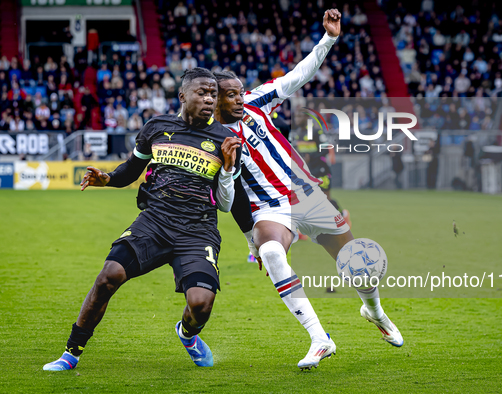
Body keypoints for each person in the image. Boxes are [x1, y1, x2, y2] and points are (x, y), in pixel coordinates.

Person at [215, 9, 403, 371]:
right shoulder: (215, 139)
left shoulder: (257, 100)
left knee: (357, 265)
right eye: (231, 95)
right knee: (271, 252)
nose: (239, 99)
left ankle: (374, 311)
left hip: (305, 194)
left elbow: (298, 75)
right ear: (216, 99)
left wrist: (328, 39)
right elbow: (231, 199)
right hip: (268, 207)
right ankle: (320, 338)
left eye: (240, 92)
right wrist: (249, 237)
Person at [43, 67, 248, 371]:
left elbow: (227, 205)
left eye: (213, 95)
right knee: (108, 276)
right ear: (182, 95)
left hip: (197, 231)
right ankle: (71, 352)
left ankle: (188, 334)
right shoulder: (156, 127)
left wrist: (229, 169)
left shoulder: (227, 139)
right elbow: (130, 170)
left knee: (201, 304)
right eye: (202, 92)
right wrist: (108, 179)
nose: (209, 99)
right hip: (154, 223)